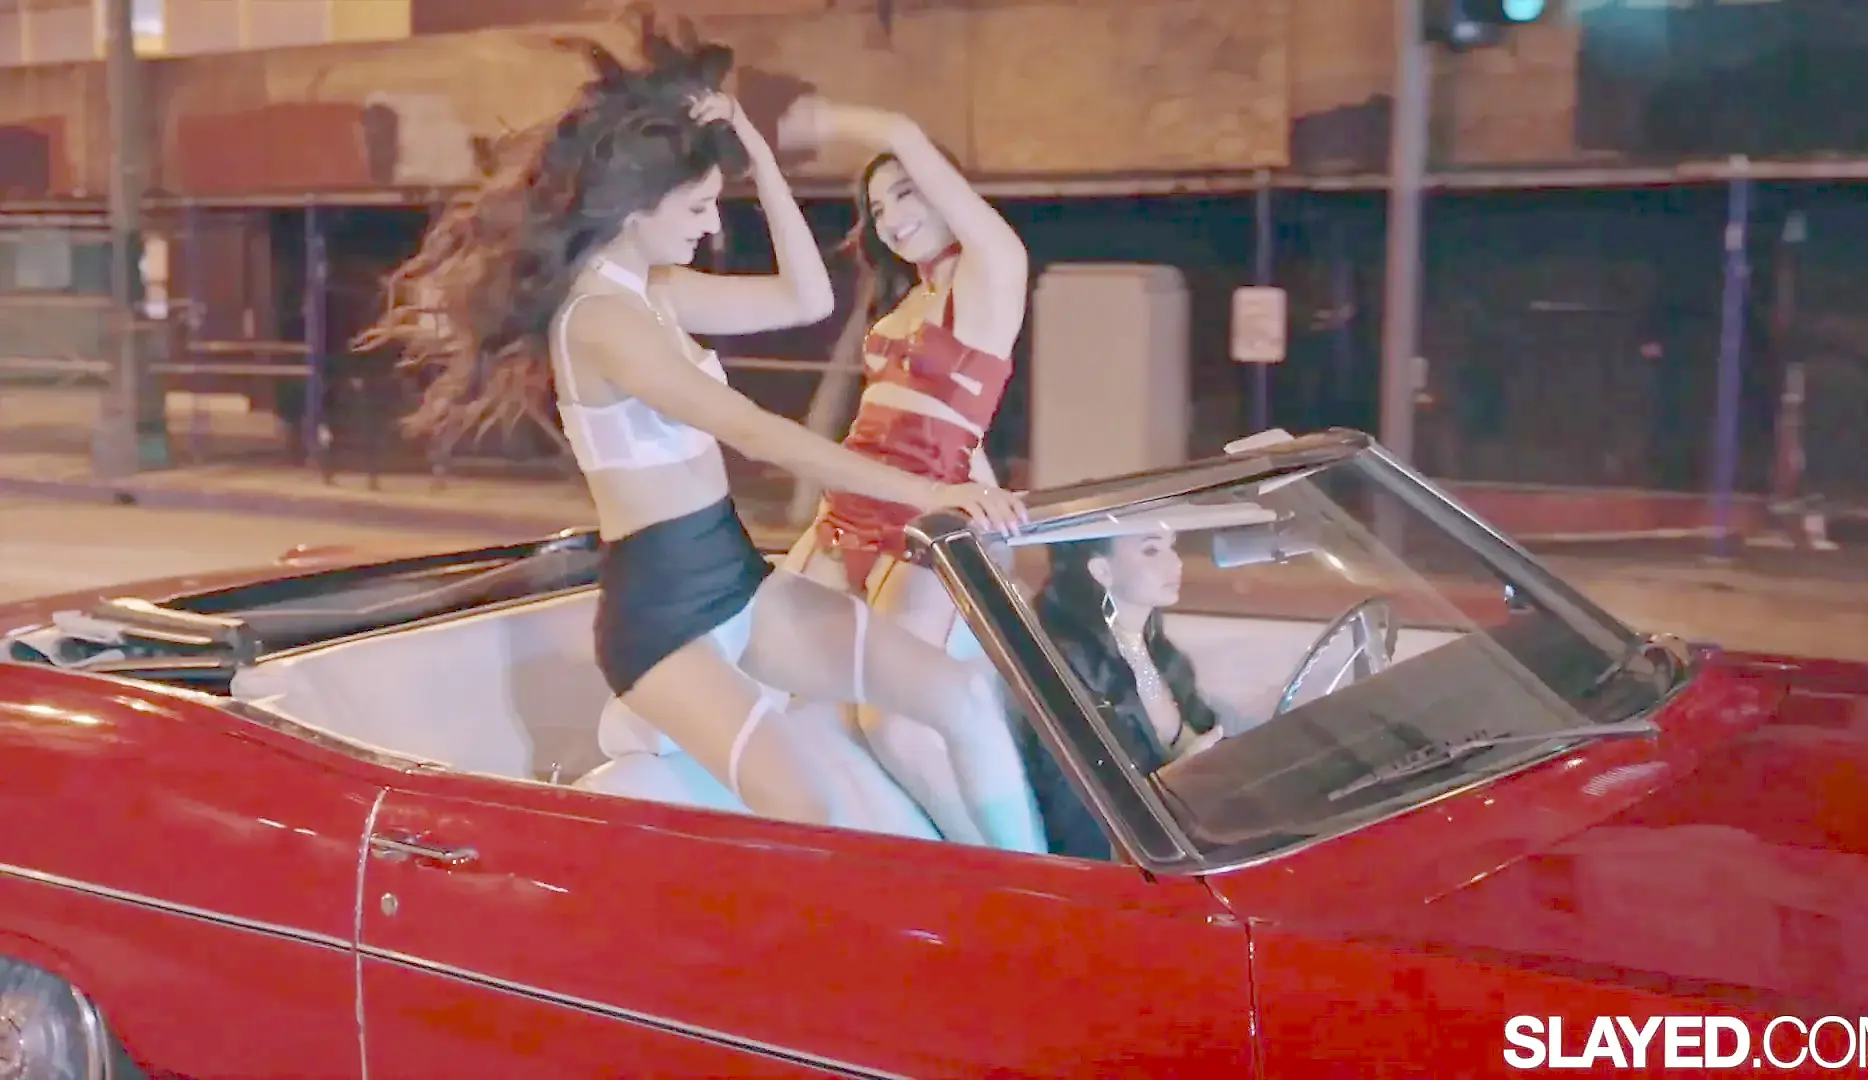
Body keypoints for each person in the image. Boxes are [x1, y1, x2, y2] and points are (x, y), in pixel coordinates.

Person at [357, 8, 1041, 850]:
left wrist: (753, 151)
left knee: (957, 697)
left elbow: (806, 298)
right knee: (814, 809)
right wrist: (933, 492)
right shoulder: (598, 322)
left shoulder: (657, 293)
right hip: (666, 618)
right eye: (699, 206)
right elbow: (752, 431)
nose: (714, 227)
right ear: (637, 206)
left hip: (738, 583)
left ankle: (1040, 893)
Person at [774, 98, 1031, 846]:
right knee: (756, 669)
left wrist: (825, 122)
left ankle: (1004, 869)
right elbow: (945, 421)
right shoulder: (910, 298)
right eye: (878, 207)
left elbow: (901, 134)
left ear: (946, 186)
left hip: (918, 524)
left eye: (907, 192)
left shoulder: (993, 272)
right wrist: (982, 480)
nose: (890, 218)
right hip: (846, 510)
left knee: (893, 724)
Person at [1020, 529, 1225, 860]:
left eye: (1172, 547)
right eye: (1151, 551)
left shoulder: (1158, 653)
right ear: (1102, 570)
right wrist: (1183, 777)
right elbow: (1084, 821)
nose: (1175, 563)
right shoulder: (1067, 668)